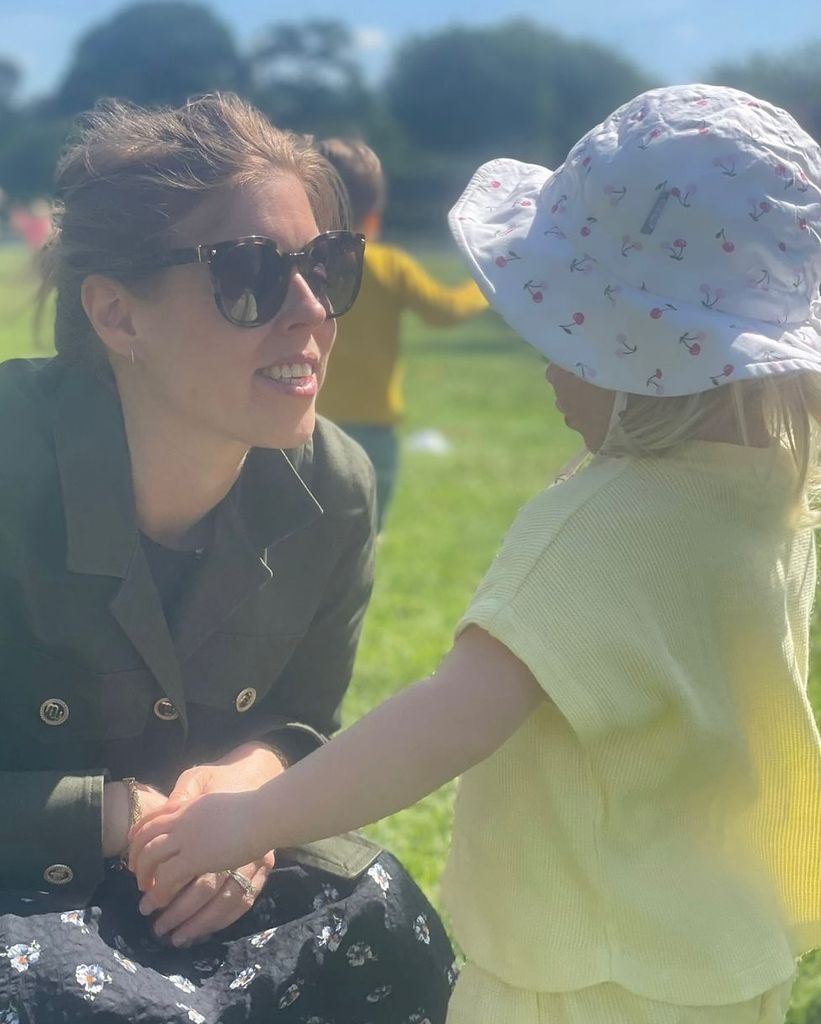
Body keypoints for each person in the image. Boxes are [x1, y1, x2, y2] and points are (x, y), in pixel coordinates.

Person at [131, 84, 821, 1022]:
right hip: (726, 961)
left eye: (562, 327)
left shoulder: (602, 523)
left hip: (578, 970)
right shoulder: (776, 499)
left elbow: (448, 720)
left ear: (632, 343)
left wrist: (250, 819)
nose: (540, 354)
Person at [0, 93, 455, 1024]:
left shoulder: (336, 488)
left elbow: (298, 722)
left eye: (327, 267)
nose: (311, 311)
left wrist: (252, 800)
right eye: (248, 273)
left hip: (212, 876)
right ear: (117, 315)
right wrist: (119, 817)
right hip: (20, 879)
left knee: (387, 926)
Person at [314, 138, 487, 532]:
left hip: (308, 423)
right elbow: (444, 312)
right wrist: (484, 285)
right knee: (361, 539)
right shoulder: (389, 266)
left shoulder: (303, 266)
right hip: (372, 429)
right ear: (373, 218)